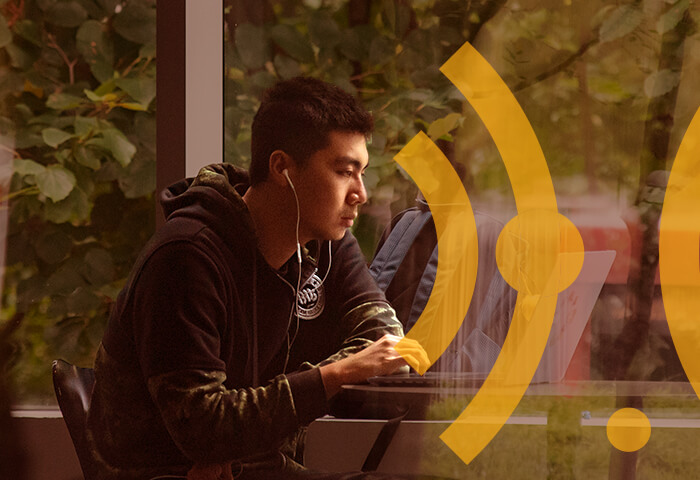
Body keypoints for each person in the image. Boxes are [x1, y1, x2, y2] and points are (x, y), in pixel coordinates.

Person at [86, 77, 429, 480]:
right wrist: (337, 374)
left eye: (363, 173)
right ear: (282, 167)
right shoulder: (185, 258)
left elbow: (386, 341)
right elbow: (204, 431)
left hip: (257, 467)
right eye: (344, 172)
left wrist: (318, 380)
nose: (361, 194)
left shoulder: (326, 243)